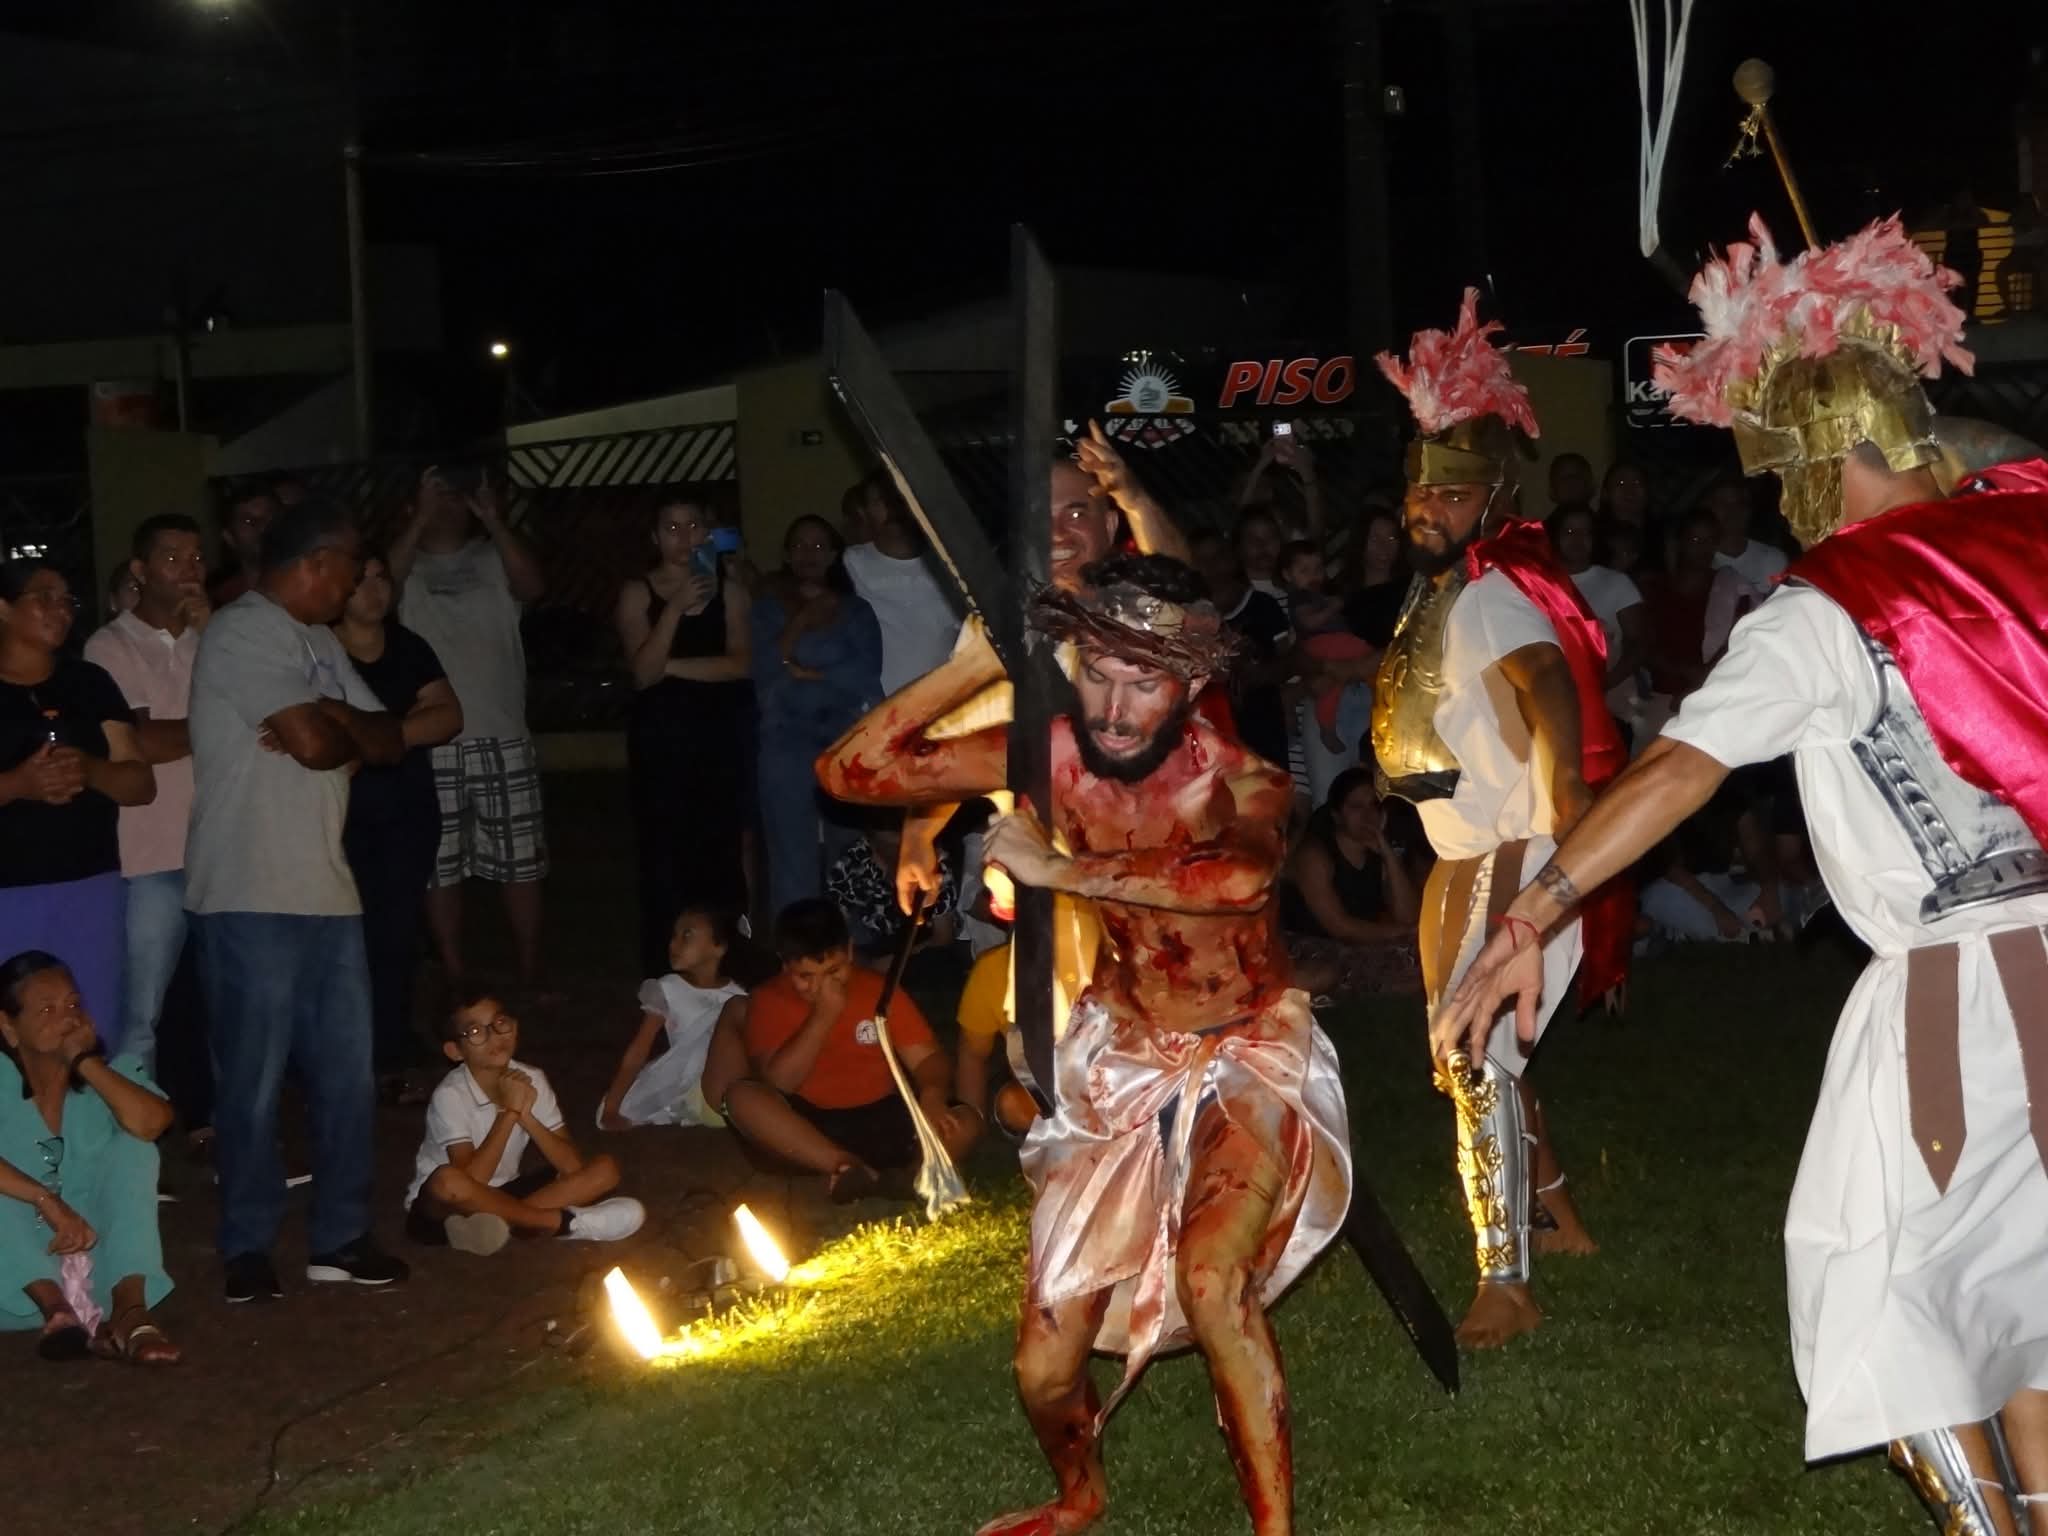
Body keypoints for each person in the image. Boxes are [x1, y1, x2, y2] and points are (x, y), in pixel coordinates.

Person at [1433, 215, 2048, 1532]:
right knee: (2028, 1296)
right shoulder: (2028, 538)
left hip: (1970, 996)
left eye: (1782, 482)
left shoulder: (1827, 606)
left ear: (1827, 464)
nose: (1779, 508)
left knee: (1878, 1293)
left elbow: (1679, 771)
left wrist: (1533, 911)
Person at [818, 552, 1351, 1536]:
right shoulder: (1052, 754)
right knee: (1042, 1365)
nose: (1109, 704)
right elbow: (852, 771)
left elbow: (1232, 885)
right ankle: (1079, 1495)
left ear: (1189, 684)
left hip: (1247, 1051)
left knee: (1210, 1278)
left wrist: (1062, 869)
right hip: (1122, 1057)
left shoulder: (1243, 780)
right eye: (1093, 672)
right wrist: (967, 667)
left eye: (1138, 681)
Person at [1370, 290, 1623, 1348]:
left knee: (1475, 1058)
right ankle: (1560, 1221)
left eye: (1453, 497)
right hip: (1457, 854)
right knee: (1469, 1054)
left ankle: (1504, 1281)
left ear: (1491, 498)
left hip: (1510, 851)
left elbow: (1548, 688)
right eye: (1421, 498)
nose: (1429, 513)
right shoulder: (1437, 594)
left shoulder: (1487, 596)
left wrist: (1566, 820)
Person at [186, 497, 409, 1301]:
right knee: (250, 1081)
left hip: (325, 888)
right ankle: (247, 1243)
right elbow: (319, 748)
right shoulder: (241, 630)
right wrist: (334, 730)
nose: (355, 588)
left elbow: (388, 740)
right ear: (317, 562)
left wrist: (334, 717)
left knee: (347, 1078)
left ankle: (341, 1237)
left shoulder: (315, 645)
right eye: (350, 571)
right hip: (247, 889)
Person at [389, 462, 549, 988]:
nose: (450, 505)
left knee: (521, 861)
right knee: (441, 865)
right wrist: (417, 521)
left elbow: (533, 586)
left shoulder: (492, 555)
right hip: (433, 737)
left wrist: (496, 521)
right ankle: (455, 971)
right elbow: (378, 597)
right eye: (439, 495)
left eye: (457, 495)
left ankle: (529, 969)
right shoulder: (404, 564)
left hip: (502, 733)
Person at [712, 899, 973, 1199]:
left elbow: (928, 1059)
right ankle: (847, 1167)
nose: (822, 986)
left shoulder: (878, 990)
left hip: (880, 1118)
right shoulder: (768, 1000)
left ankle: (916, 1175)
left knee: (966, 1121)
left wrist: (932, 1098)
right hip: (807, 1127)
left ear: (850, 952)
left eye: (834, 971)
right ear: (785, 965)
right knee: (741, 1098)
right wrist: (824, 1015)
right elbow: (780, 1082)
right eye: (806, 977)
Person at [0, 559, 155, 1052]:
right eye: (43, 596)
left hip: (89, 884)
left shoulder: (90, 683)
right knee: (13, 1033)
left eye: (67, 599)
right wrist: (19, 784)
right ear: (3, 608)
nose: (60, 609)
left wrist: (88, 770)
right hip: (8, 890)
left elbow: (139, 783)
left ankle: (87, 1130)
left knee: (91, 1024)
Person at [0, 951, 178, 1364]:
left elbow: (153, 1124)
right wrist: (44, 1199)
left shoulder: (112, 1077)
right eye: (46, 1008)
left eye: (74, 1005)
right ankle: (57, 1310)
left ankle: (129, 1312)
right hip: (13, 1277)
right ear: (8, 1027)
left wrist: (85, 1062)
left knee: (135, 1145)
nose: (66, 1018)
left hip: (97, 1258)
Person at [333, 551, 463, 1099]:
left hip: (406, 811)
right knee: (345, 935)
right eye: (360, 579)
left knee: (396, 931)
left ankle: (391, 1041)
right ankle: (344, 1042)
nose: (374, 589)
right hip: (338, 817)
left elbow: (448, 715)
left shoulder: (409, 647)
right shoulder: (318, 650)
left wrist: (383, 737)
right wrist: (393, 731)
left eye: (381, 577)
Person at [82, 516, 207, 1072]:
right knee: (139, 1016)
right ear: (140, 569)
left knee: (220, 1006)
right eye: (173, 558)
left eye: (197, 558)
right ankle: (132, 1148)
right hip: (149, 857)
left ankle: (216, 1126)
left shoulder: (215, 640)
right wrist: (220, 725)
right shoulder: (109, 647)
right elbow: (139, 741)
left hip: (219, 851)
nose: (189, 570)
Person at [614, 496, 753, 972]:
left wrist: (667, 666)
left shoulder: (730, 592)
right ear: (655, 537)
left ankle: (722, 961)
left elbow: (740, 664)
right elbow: (641, 677)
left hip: (717, 738)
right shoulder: (638, 593)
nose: (683, 536)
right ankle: (665, 966)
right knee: (664, 854)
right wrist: (672, 610)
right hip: (662, 742)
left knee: (719, 849)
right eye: (671, 528)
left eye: (693, 525)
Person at [404, 986, 642, 1254]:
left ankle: (498, 1228)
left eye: (500, 1023)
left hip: (505, 1194)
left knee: (605, 1169)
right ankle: (562, 1223)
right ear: (455, 1051)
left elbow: (571, 1165)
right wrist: (510, 1114)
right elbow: (473, 1181)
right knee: (448, 1180)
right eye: (475, 1032)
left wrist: (526, 1115)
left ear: (515, 1027)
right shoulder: (450, 1095)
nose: (493, 1036)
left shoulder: (532, 1078)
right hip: (445, 1209)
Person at [750, 513, 882, 914]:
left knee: (852, 847)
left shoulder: (856, 610)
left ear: (835, 555)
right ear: (788, 555)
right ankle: (797, 947)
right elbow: (767, 667)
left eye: (820, 545)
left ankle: (856, 944)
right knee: (791, 849)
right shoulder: (767, 610)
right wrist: (805, 620)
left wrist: (803, 668)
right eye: (801, 546)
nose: (810, 554)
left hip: (845, 738)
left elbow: (864, 673)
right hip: (785, 739)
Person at [599, 906, 751, 1131]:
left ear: (718, 947)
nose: (674, 944)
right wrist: (612, 1106)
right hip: (693, 1088)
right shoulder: (669, 989)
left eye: (687, 936)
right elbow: (639, 1049)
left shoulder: (738, 996)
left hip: (727, 1086)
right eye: (674, 936)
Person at [1281, 766, 1423, 998]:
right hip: (1307, 945)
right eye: (1356, 807)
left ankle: (1365, 988)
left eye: (1374, 806)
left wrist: (1388, 854)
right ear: (1336, 815)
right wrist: (1403, 932)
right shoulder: (1315, 854)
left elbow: (1408, 915)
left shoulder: (1376, 853)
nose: (1368, 815)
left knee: (1422, 955)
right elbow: (1340, 926)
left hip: (1353, 946)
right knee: (1331, 971)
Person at [841, 471, 963, 697]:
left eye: (899, 498)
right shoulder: (849, 563)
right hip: (873, 712)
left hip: (939, 709)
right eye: (880, 501)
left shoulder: (952, 567)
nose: (893, 509)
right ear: (865, 512)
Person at [1190, 530, 1291, 771]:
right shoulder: (1187, 616)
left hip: (1263, 726)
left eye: (1217, 557)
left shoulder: (1262, 605)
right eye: (1203, 560)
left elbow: (1289, 661)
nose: (1212, 567)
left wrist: (1258, 673)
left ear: (1231, 558)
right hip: (1210, 732)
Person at [1547, 503, 1647, 727]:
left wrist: (1604, 682)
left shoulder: (1616, 582)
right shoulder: (1540, 583)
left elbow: (1639, 643)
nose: (1577, 540)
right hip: (1555, 705)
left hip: (1610, 707)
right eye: (1570, 532)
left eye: (1585, 532)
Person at [826, 812, 958, 963]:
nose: (898, 851)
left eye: (903, 844)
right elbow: (834, 938)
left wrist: (894, 962)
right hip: (869, 949)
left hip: (919, 951)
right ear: (871, 841)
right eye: (889, 846)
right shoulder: (852, 863)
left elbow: (943, 937)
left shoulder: (935, 863)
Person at [1281, 538, 1372, 753]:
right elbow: (1309, 622)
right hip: (1320, 642)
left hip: (1332, 643)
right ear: (1288, 575)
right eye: (1304, 570)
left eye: (1317, 569)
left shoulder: (1322, 592)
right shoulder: (1299, 597)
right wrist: (1332, 608)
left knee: (1334, 682)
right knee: (1366, 653)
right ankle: (1328, 725)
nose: (1313, 575)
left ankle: (1328, 725)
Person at [950, 933, 1038, 1141]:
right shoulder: (995, 969)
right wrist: (973, 1124)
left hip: (1108, 1088)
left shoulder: (1107, 963)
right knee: (1012, 1106)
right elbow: (972, 1053)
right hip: (1037, 1093)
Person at [1341, 501, 1408, 647]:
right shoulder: (1341, 592)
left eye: (1391, 538)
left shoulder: (1408, 591)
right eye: (1374, 539)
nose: (1384, 547)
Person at [1707, 477, 1789, 593]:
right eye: (1722, 503)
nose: (1732, 511)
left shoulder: (1774, 560)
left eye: (1738, 503)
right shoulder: (1700, 559)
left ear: (1748, 510)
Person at [206, 477, 275, 608]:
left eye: (269, 518)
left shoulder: (309, 589)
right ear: (229, 537)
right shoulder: (220, 600)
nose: (262, 527)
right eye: (248, 521)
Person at [1597, 461, 1652, 531]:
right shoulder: (1590, 533)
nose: (1630, 489)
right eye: (1621, 483)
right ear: (1606, 493)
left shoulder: (1664, 534)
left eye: (1637, 482)